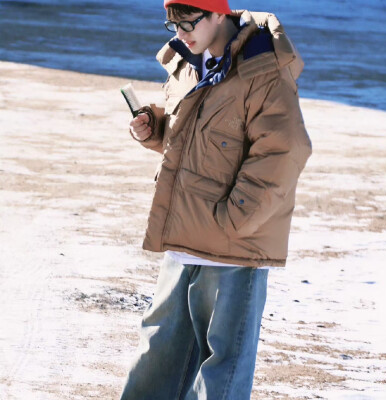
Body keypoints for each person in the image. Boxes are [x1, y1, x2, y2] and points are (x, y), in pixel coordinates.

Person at [120, 0, 311, 399]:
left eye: (189, 22)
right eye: (172, 24)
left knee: (220, 374)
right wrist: (155, 127)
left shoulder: (262, 68)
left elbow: (285, 149)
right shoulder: (189, 61)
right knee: (156, 362)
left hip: (232, 251)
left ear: (218, 13)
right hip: (184, 240)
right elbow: (199, 134)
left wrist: (232, 222)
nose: (180, 33)